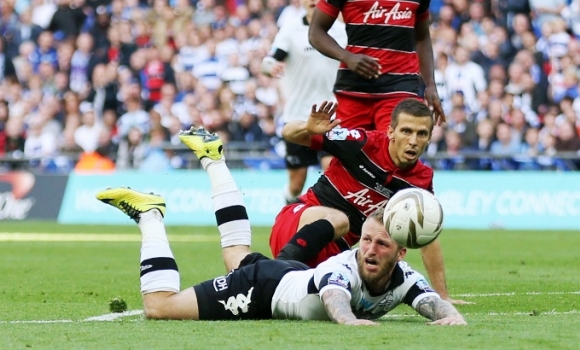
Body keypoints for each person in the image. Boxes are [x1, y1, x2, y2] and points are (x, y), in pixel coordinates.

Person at [95, 126, 466, 325]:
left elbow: (432, 303)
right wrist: (350, 322)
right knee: (159, 307)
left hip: (285, 276)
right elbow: (334, 298)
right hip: (264, 289)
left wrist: (452, 318)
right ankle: (150, 216)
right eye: (366, 240)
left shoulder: (403, 277)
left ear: (401, 253)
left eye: (381, 246)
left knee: (235, 252)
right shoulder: (344, 268)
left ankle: (213, 161)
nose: (369, 249)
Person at [271, 98, 469, 304]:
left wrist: (442, 296)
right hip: (297, 223)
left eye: (422, 134)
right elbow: (288, 134)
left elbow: (426, 236)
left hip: (335, 253)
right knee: (340, 219)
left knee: (380, 271)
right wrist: (307, 127)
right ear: (391, 131)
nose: (413, 141)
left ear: (429, 139)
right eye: (406, 131)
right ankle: (273, 271)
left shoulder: (421, 180)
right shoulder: (361, 142)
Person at [308, 0, 445, 132]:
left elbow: (422, 37)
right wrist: (347, 57)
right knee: (349, 152)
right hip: (354, 91)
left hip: (400, 89)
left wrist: (430, 84)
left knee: (394, 151)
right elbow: (315, 32)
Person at [261, 0, 347, 203]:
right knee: (296, 183)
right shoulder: (290, 30)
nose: (313, 1)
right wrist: (270, 67)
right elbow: (269, 60)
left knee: (331, 172)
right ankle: (288, 214)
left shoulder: (342, 31)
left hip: (333, 116)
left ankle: (330, 225)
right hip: (298, 117)